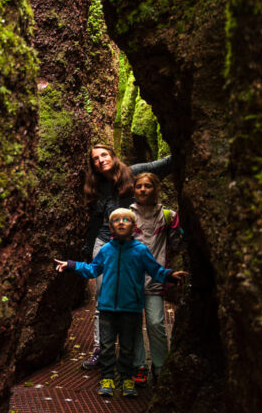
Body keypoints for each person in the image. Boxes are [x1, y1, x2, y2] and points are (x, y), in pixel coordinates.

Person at [55, 208, 188, 397]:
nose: (121, 222)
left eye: (126, 220)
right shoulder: (106, 250)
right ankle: (108, 377)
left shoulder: (141, 251)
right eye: (117, 220)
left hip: (131, 308)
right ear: (111, 227)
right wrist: (71, 265)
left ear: (134, 227)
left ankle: (127, 378)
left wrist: (170, 275)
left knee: (128, 346)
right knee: (107, 346)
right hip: (107, 307)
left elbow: (155, 270)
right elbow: (93, 269)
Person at [80, 144, 173, 370]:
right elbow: (94, 221)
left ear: (113, 156)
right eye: (95, 159)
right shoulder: (97, 186)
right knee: (104, 296)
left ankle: (136, 358)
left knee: (133, 301)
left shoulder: (133, 173)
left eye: (104, 155)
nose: (101, 160)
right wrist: (88, 248)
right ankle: (100, 349)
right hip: (105, 244)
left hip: (133, 242)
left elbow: (164, 165)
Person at [130, 173, 184, 386]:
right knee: (133, 324)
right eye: (139, 186)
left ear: (156, 188)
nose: (143, 190)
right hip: (131, 279)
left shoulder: (167, 215)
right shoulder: (127, 215)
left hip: (155, 278)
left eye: (148, 186)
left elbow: (177, 244)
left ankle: (160, 367)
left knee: (156, 323)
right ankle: (139, 366)